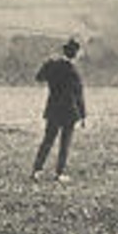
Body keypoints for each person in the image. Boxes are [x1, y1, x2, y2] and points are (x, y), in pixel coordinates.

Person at [32, 37, 87, 182]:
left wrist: (47, 63)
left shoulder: (52, 65)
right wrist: (83, 116)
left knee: (47, 140)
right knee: (65, 143)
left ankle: (37, 170)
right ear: (75, 54)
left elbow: (39, 78)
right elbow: (79, 95)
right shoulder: (73, 71)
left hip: (53, 109)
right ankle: (59, 173)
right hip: (69, 110)